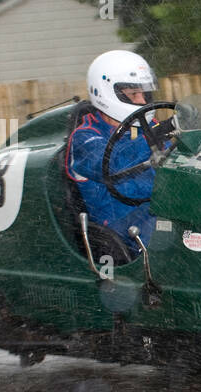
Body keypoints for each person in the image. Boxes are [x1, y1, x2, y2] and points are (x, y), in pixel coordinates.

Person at [66, 50, 165, 254]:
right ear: (106, 92)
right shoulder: (85, 138)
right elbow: (116, 165)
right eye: (132, 93)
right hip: (118, 228)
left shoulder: (145, 127)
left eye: (144, 93)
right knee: (179, 233)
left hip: (154, 210)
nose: (141, 101)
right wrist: (163, 132)